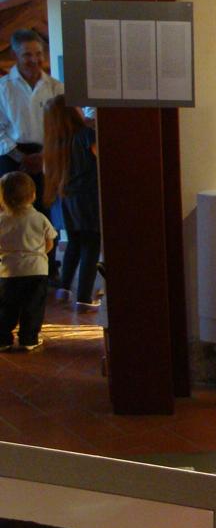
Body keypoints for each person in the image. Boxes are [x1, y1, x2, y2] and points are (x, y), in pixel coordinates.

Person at [0, 30, 64, 282]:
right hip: (13, 156)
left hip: (46, 154)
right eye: (27, 54)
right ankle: (11, 270)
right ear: (16, 54)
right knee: (11, 213)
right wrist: (19, 157)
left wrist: (45, 155)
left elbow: (62, 126)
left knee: (45, 212)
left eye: (38, 54)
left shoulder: (55, 87)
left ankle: (46, 269)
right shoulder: (4, 87)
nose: (34, 60)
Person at [43, 96, 101, 311]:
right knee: (91, 245)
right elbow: (101, 157)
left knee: (74, 243)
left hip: (65, 200)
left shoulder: (54, 142)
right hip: (87, 198)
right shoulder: (85, 135)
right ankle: (84, 299)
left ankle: (64, 289)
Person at [0, 171, 57, 352]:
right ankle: (28, 338)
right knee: (33, 306)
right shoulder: (40, 218)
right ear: (33, 195)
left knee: (6, 307)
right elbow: (49, 242)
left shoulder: (2, 220)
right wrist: (39, 254)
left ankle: (3, 339)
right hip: (36, 270)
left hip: (9, 271)